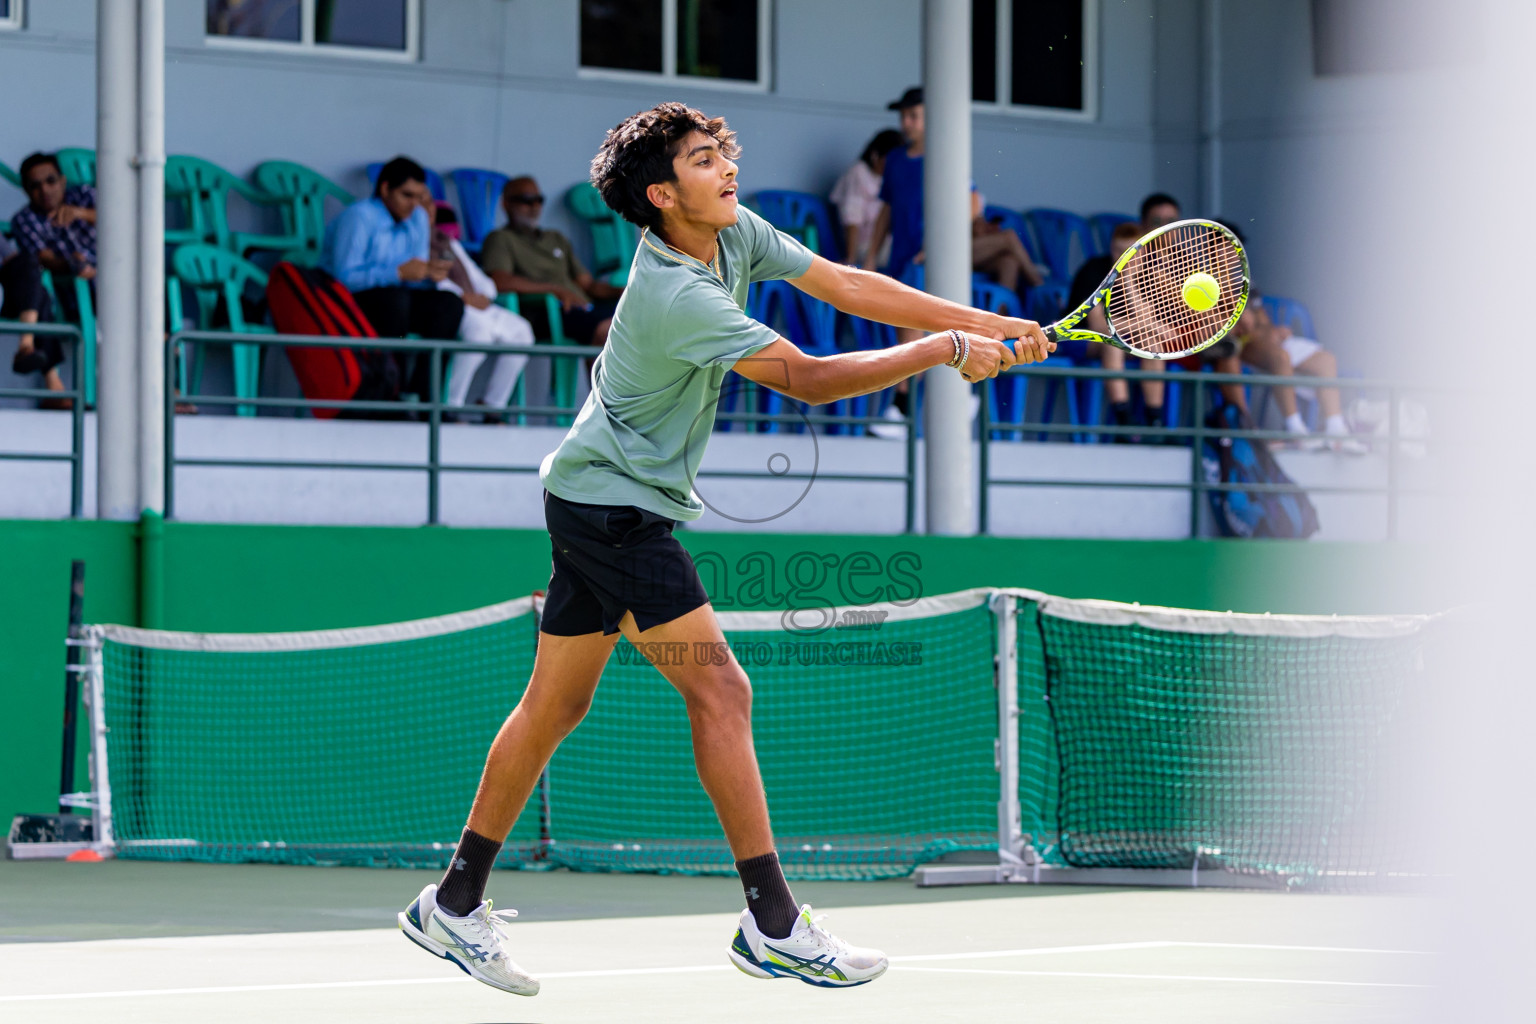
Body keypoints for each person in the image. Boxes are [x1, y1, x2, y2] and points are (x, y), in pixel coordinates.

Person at [396, 101, 1053, 998]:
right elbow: (814, 381)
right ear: (663, 195)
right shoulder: (675, 293)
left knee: (553, 706)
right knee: (723, 689)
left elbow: (849, 285)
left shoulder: (734, 230)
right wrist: (945, 350)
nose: (728, 170)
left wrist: (989, 325)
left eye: (724, 154)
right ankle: (774, 923)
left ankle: (454, 902)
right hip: (614, 513)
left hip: (592, 496)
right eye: (705, 161)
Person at [862, 87, 1043, 437]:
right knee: (914, 334)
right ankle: (937, 401)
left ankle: (905, 408)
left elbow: (972, 202)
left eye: (914, 115)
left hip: (935, 264)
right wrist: (870, 255)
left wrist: (938, 241)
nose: (907, 122)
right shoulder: (897, 159)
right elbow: (886, 209)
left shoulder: (946, 154)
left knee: (922, 333)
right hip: (903, 258)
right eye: (904, 116)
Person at [320, 156, 464, 400]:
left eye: (419, 197)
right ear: (385, 189)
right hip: (350, 302)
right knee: (394, 301)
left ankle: (424, 396)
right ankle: (389, 392)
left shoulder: (417, 217)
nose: (414, 204)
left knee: (449, 304)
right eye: (407, 195)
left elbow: (413, 277)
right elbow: (343, 278)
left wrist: (428, 273)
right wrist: (396, 272)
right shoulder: (360, 217)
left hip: (398, 301)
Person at [480, 176, 624, 348]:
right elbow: (499, 281)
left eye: (538, 200)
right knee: (607, 329)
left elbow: (587, 285)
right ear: (506, 204)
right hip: (545, 311)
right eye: (526, 201)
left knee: (635, 320)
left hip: (581, 306)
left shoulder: (555, 238)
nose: (534, 207)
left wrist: (624, 292)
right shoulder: (500, 238)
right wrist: (554, 290)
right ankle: (599, 376)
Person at [1219, 298, 1366, 453]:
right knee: (1281, 358)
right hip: (1240, 344)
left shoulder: (1243, 282)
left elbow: (1262, 320)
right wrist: (1236, 323)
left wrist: (1271, 332)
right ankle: (1296, 431)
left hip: (1264, 340)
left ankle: (1336, 430)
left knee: (1327, 360)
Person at [428, 205, 533, 421]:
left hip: (477, 304)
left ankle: (493, 406)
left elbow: (476, 276)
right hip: (452, 305)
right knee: (480, 333)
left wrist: (485, 294)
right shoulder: (414, 240)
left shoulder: (447, 241)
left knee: (521, 332)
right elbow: (432, 282)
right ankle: (451, 406)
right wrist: (462, 296)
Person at [1066, 220, 1167, 439]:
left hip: (1126, 339)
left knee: (1152, 344)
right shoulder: (1093, 270)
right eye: (1118, 251)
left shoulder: (1149, 276)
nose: (1123, 258)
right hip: (1080, 339)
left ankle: (1155, 421)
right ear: (1111, 248)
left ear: (1142, 253)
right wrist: (1148, 325)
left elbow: (1148, 323)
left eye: (1130, 252)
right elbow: (1099, 326)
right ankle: (1124, 420)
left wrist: (1129, 280)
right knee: (1114, 342)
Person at [10, 152, 97, 325]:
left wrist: (81, 213)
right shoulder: (24, 220)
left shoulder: (84, 195)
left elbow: (122, 220)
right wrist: (73, 264)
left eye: (51, 181)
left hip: (118, 277)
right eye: (35, 185)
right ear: (26, 190)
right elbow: (43, 259)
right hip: (76, 294)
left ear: (62, 181)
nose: (44, 190)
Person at [1, 234, 67, 404]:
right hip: (11, 292)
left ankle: (26, 345)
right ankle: (52, 382)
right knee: (40, 295)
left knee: (29, 268)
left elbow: (9, 257)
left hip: (8, 293)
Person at [829, 128, 902, 267]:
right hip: (863, 245)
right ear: (875, 156)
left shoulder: (890, 178)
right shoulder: (858, 173)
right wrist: (851, 261)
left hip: (882, 243)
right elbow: (852, 220)